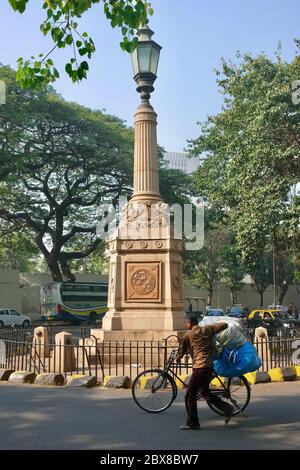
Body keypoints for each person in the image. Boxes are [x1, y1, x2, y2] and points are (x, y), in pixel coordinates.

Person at [176, 313, 234, 430]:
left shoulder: (188, 335)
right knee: (205, 393)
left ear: (189, 324)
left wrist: (177, 358)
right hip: (209, 367)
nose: (186, 324)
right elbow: (224, 324)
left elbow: (181, 351)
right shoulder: (207, 329)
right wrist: (212, 326)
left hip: (199, 368)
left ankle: (193, 423)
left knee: (189, 395)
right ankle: (227, 408)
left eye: (186, 323)